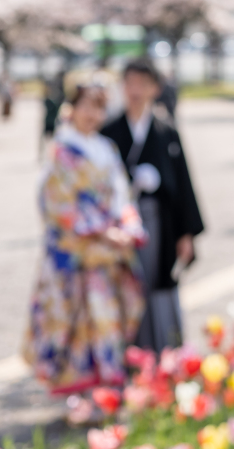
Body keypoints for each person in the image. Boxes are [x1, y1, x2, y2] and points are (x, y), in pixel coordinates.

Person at [24, 77, 145, 394]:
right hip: (76, 253)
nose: (93, 114)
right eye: (87, 105)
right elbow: (56, 203)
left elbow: (121, 194)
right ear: (72, 107)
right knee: (74, 322)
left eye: (100, 106)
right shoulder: (61, 151)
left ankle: (104, 390)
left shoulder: (106, 147)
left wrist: (127, 224)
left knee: (107, 318)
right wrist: (105, 231)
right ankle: (79, 393)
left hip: (106, 251)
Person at [102, 57, 204, 352]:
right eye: (129, 83)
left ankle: (163, 350)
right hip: (120, 225)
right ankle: (128, 353)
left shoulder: (165, 130)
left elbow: (184, 182)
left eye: (142, 84)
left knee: (159, 281)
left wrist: (187, 234)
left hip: (160, 220)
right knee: (125, 285)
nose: (135, 90)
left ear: (155, 88)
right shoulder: (109, 132)